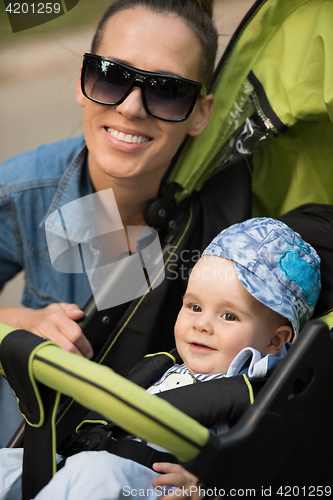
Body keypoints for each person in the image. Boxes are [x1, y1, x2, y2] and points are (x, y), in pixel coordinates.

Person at [3, 0, 248, 446]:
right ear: (83, 80)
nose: (132, 108)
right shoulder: (23, 189)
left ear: (200, 113)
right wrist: (18, 321)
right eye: (112, 75)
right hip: (32, 447)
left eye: (167, 90)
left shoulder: (234, 215)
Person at [0, 217, 322, 499]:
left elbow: (269, 471)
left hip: (149, 484)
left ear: (275, 340)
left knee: (95, 472)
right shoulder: (164, 366)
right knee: (6, 464)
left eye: (228, 316)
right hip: (80, 461)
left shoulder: (264, 391)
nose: (201, 324)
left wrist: (212, 488)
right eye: (194, 307)